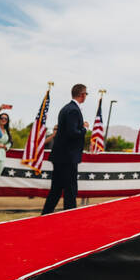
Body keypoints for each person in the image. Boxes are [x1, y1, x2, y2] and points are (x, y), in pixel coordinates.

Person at [42, 83, 87, 215]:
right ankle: (70, 215)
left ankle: (46, 214)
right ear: (82, 95)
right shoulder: (73, 110)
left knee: (56, 188)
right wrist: (84, 129)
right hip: (68, 156)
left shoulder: (65, 108)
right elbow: (72, 133)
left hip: (60, 156)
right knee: (70, 189)